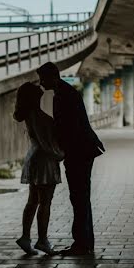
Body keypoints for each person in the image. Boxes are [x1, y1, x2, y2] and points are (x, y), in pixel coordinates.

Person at [37, 62, 104, 256]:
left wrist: (60, 152)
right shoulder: (66, 93)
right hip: (82, 151)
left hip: (79, 152)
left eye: (43, 79)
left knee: (79, 197)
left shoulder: (64, 96)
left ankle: (82, 244)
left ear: (53, 77)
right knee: (81, 197)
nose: (41, 83)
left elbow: (68, 128)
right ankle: (85, 242)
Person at [12, 81, 64, 256]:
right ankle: (42, 240)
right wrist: (60, 155)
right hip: (45, 161)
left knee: (33, 200)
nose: (41, 92)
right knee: (45, 202)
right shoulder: (39, 116)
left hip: (34, 158)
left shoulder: (29, 115)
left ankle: (26, 237)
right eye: (38, 92)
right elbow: (46, 142)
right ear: (33, 97)